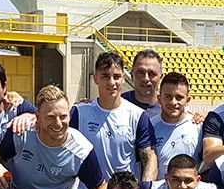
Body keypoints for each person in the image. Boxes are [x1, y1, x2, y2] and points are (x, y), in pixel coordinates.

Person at [71, 51, 158, 181]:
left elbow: (149, 157)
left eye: (116, 76)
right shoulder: (79, 112)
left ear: (123, 78)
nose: (111, 82)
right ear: (95, 78)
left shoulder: (137, 115)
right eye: (105, 76)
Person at [152, 72, 202, 177]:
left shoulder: (198, 126)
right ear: (159, 99)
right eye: (168, 97)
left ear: (187, 100)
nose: (173, 102)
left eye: (179, 97)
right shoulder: (150, 127)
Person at [122, 49, 164, 119]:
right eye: (140, 72)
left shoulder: (169, 109)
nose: (146, 78)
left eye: (152, 73)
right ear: (132, 75)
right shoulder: (118, 105)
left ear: (160, 78)